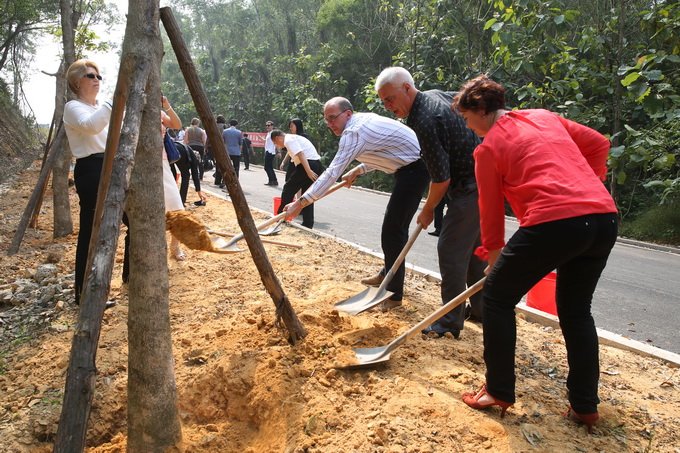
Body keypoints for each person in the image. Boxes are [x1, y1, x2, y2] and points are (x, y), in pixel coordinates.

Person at [452, 75, 618, 430]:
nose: (468, 126)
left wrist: (494, 258)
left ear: (481, 109)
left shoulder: (488, 149)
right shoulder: (543, 116)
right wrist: (589, 182)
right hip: (603, 217)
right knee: (576, 311)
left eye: (467, 118)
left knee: (496, 298)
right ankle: (585, 406)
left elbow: (490, 211)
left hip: (554, 222)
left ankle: (497, 391)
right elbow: (599, 144)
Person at [285, 97, 429, 310]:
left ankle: (393, 294)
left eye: (333, 118)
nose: (330, 124)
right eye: (327, 120)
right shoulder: (362, 122)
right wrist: (359, 169)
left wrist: (301, 202)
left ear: (348, 114)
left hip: (415, 170)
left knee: (393, 231)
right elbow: (385, 152)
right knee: (393, 230)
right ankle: (388, 273)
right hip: (409, 166)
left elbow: (333, 172)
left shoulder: (353, 132)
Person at [375, 66, 486, 338]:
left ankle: (449, 322)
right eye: (384, 102)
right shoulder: (433, 96)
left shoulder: (424, 119)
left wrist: (427, 210)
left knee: (450, 251)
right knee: (473, 253)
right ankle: (482, 310)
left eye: (390, 99)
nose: (388, 106)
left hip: (469, 186)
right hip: (481, 179)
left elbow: (441, 179)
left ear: (406, 88)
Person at [63, 59, 115, 309]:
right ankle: (84, 293)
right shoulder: (73, 107)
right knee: (91, 231)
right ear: (76, 82)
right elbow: (91, 127)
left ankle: (129, 278)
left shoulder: (100, 108)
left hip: (111, 166)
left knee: (130, 221)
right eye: (90, 76)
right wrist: (114, 102)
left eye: (98, 76)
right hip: (92, 170)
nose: (96, 80)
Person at [271, 129, 324, 228]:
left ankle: (280, 217)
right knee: (307, 195)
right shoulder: (292, 138)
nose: (277, 145)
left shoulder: (288, 140)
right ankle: (308, 224)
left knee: (288, 189)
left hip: (308, 164)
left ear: (278, 138)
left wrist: (308, 171)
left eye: (275, 143)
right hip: (315, 164)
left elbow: (301, 154)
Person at [212, 115, 227, 187]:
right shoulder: (224, 126)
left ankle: (217, 180)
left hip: (215, 145)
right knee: (223, 163)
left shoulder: (214, 126)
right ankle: (223, 179)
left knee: (218, 163)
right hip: (222, 146)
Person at [263, 120, 279, 185]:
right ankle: (274, 180)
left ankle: (271, 180)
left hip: (270, 151)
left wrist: (278, 151)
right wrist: (263, 139)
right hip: (268, 151)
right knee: (269, 167)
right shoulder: (269, 133)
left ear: (272, 126)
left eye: (269, 125)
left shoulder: (273, 133)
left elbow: (276, 142)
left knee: (267, 167)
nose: (267, 127)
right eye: (266, 125)